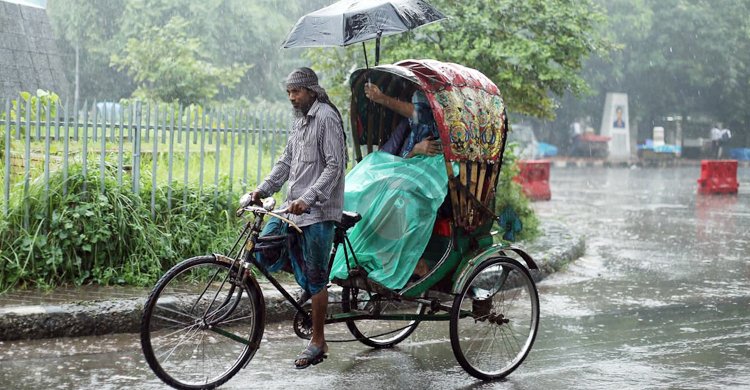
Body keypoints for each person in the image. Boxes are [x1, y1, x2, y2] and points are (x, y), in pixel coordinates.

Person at [248, 67, 346, 369]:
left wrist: (310, 198)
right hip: (292, 207)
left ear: (311, 91)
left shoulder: (326, 117)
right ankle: (306, 278)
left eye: (297, 92)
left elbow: (334, 166)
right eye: (289, 92)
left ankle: (318, 340)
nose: (292, 97)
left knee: (317, 278)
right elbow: (286, 161)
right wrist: (261, 189)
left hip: (317, 211)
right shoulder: (300, 121)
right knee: (262, 250)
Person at [364, 82, 442, 158]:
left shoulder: (445, 124)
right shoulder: (408, 126)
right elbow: (390, 159)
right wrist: (415, 151)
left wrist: (381, 98)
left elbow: (420, 113)